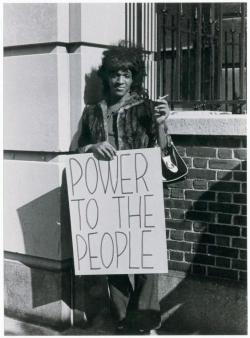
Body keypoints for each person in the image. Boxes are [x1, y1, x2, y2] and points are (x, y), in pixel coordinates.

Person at [78, 43, 171, 335]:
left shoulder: (146, 108)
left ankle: (145, 323)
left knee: (146, 262)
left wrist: (162, 125)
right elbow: (76, 151)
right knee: (114, 260)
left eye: (127, 74)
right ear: (106, 77)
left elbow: (164, 153)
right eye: (115, 74)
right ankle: (122, 321)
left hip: (139, 194)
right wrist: (92, 147)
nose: (120, 80)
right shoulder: (92, 111)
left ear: (134, 78)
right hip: (105, 196)